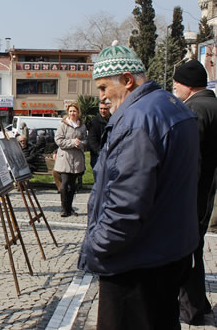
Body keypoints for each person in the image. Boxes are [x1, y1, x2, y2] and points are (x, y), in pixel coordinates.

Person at [78, 42, 199, 330]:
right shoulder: (170, 106)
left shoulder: (137, 120)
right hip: (166, 252)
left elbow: (125, 206)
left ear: (128, 80)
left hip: (135, 264)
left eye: (104, 87)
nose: (102, 97)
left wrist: (94, 249)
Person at [173, 59, 217, 325]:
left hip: (195, 194)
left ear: (186, 86)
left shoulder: (195, 109)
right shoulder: (211, 104)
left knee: (188, 251)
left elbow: (191, 159)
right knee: (195, 249)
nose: (174, 89)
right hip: (207, 192)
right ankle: (200, 302)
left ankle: (192, 310)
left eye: (176, 84)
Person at [53, 102, 87, 217]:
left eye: (74, 111)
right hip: (65, 159)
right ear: (68, 112)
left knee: (72, 186)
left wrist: (80, 143)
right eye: (71, 111)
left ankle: (70, 208)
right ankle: (64, 208)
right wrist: (73, 142)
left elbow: (86, 141)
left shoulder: (82, 126)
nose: (72, 113)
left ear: (78, 112)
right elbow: (59, 141)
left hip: (76, 160)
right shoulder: (63, 125)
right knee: (64, 184)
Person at [87, 99, 111, 170]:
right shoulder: (94, 122)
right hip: (97, 156)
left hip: (111, 155)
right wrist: (101, 153)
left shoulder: (114, 120)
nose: (103, 111)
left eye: (105, 109)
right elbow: (92, 141)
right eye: (101, 108)